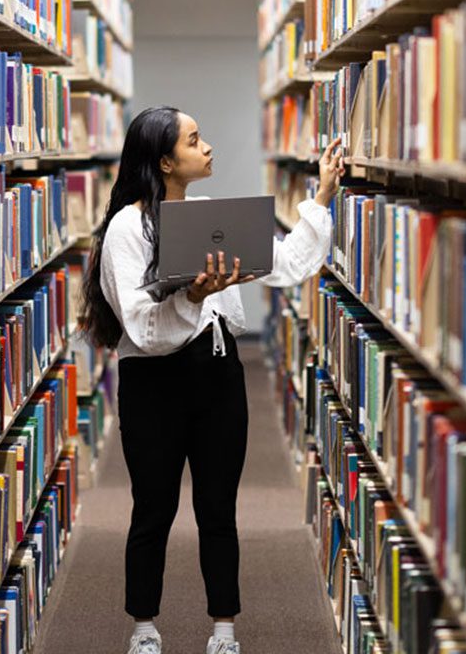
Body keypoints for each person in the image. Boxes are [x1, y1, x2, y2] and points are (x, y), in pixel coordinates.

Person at [80, 106, 344, 654]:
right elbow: (142, 328)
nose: (208, 148)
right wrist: (193, 296)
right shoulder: (125, 231)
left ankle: (223, 630)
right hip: (153, 383)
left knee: (218, 508)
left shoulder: (210, 218)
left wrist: (321, 195)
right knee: (153, 508)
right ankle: (144, 629)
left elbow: (288, 264)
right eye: (195, 140)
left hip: (218, 375)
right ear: (165, 162)